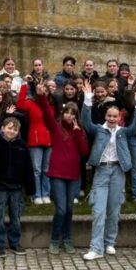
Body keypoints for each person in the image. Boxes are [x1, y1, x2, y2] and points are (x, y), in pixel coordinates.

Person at [80, 81, 136, 261]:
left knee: (114, 209)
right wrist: (87, 99)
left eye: (114, 116)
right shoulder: (99, 130)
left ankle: (109, 242)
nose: (111, 119)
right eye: (109, 116)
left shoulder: (123, 132)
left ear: (119, 118)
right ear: (106, 116)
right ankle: (96, 247)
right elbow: (86, 121)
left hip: (118, 171)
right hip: (102, 172)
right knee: (99, 210)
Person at [38, 96, 89, 255]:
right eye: (66, 112)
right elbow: (46, 113)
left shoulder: (78, 131)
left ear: (76, 116)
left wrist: (78, 133)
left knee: (69, 208)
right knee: (60, 209)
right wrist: (41, 95)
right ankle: (54, 240)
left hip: (73, 175)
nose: (69, 115)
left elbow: (84, 152)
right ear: (63, 113)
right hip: (57, 174)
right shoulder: (55, 127)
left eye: (72, 113)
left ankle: (67, 239)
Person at [0, 117, 35, 256]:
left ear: (18, 132)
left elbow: (28, 168)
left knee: (16, 217)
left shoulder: (22, 146)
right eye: (9, 128)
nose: (12, 131)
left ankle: (15, 242)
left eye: (15, 129)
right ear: (3, 129)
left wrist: (30, 188)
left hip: (16, 187)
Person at [14, 82, 53, 204]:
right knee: (37, 170)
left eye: (45, 90)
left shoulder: (51, 104)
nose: (44, 92)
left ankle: (46, 193)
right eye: (41, 90)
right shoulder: (31, 103)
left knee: (47, 169)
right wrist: (24, 86)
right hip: (35, 139)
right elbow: (19, 104)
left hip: (49, 139)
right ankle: (36, 194)